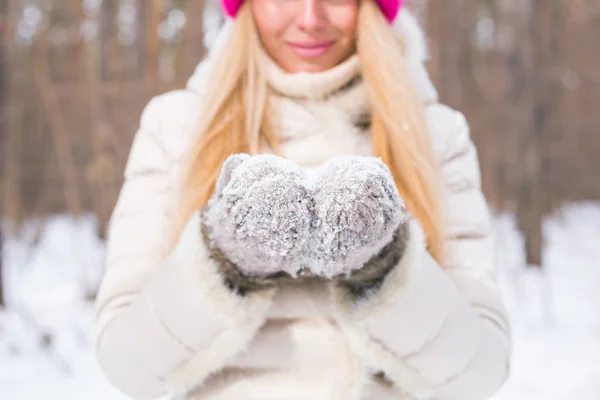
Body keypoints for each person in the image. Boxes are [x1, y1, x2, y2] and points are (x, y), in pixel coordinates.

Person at [94, 0, 511, 399]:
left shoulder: (438, 136)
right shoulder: (175, 127)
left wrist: (385, 268)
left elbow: (482, 373)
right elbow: (126, 366)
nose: (310, 18)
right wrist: (224, 260)